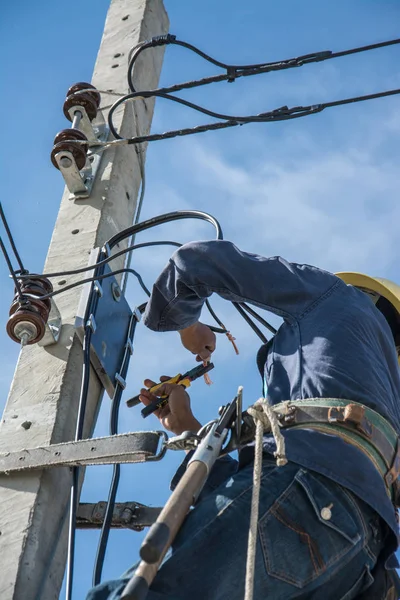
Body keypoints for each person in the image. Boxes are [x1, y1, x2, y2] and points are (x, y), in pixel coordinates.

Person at [87, 239, 400, 600]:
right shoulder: (382, 415)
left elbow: (196, 262)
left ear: (367, 295)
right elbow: (253, 495)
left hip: (309, 493)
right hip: (359, 564)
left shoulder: (337, 296)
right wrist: (188, 428)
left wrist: (187, 325)